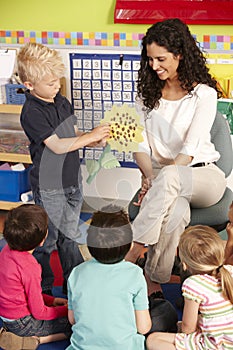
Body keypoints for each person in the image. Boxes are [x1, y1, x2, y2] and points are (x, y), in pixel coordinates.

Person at [125, 18, 227, 286]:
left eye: (161, 59)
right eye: (149, 59)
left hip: (203, 178)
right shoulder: (145, 95)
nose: (153, 66)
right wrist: (148, 176)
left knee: (171, 175)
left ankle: (133, 250)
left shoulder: (203, 94)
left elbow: (191, 149)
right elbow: (139, 144)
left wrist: (158, 180)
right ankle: (153, 282)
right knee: (176, 212)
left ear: (179, 55)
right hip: (163, 181)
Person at [17, 42, 110, 295]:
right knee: (47, 241)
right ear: (29, 84)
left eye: (58, 80)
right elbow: (57, 145)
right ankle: (42, 289)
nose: (57, 86)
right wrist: (89, 137)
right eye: (50, 83)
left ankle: (74, 285)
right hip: (50, 187)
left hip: (71, 180)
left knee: (70, 235)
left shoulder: (61, 101)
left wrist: (92, 137)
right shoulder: (32, 112)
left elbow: (70, 135)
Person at [67, 205, 152, 350]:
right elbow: (143, 328)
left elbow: (73, 320)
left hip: (81, 347)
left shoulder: (76, 273)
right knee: (164, 311)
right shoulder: (135, 274)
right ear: (130, 245)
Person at [146, 225, 233, 350]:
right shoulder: (229, 271)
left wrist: (183, 327)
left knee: (153, 340)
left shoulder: (194, 284)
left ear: (185, 264)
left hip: (216, 344)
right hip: (228, 339)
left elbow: (188, 329)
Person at [0, 204, 71, 350]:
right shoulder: (30, 267)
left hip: (6, 317)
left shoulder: (5, 250)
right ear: (43, 239)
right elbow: (39, 313)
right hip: (24, 324)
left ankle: (14, 333)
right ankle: (34, 341)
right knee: (76, 323)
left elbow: (19, 292)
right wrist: (67, 310)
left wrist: (53, 300)